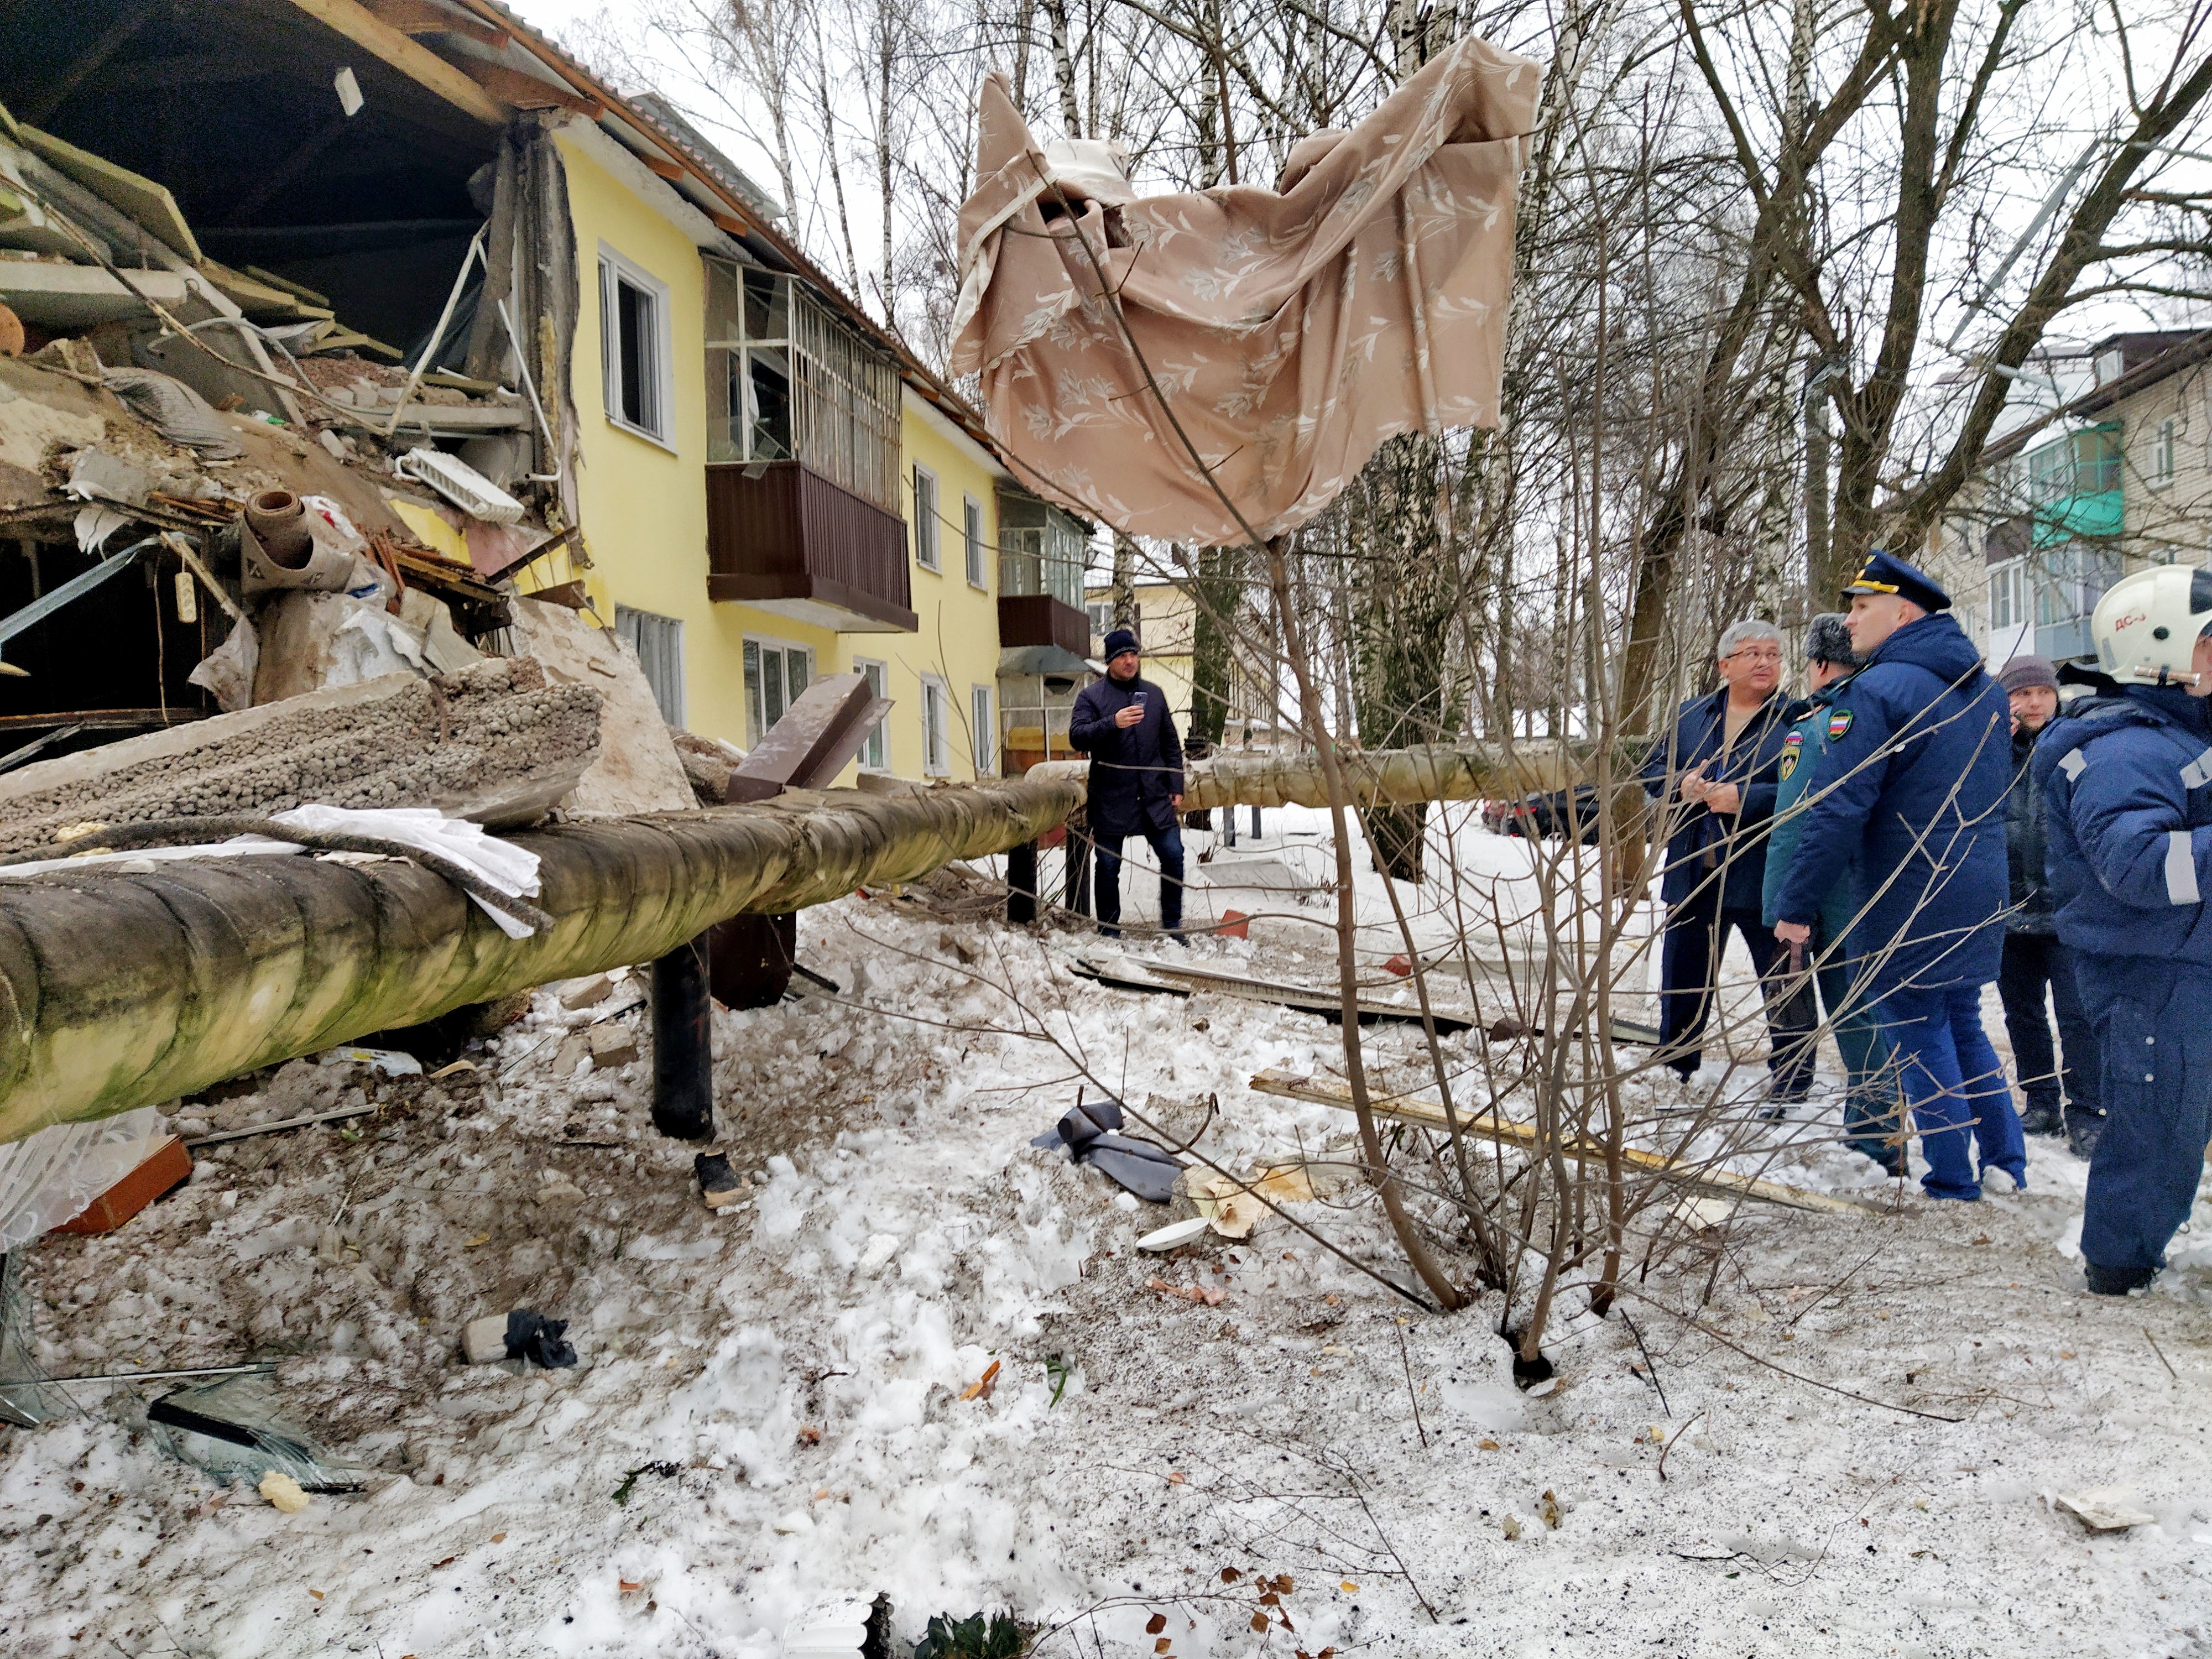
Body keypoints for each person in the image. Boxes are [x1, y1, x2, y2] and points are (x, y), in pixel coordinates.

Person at [1771, 551, 2022, 1202]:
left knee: (1916, 1026)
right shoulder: (1986, 690)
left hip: (1907, 887)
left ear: (1903, 612)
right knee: (1962, 1022)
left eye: (1860, 608)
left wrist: (1796, 906)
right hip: (1975, 880)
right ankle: (2005, 1161)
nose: (1849, 622)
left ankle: (1952, 1178)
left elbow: (1837, 809)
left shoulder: (1876, 693)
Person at [2031, 565, 2212, 1295]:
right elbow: (2139, 867)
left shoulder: (2173, 734)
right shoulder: (2125, 749)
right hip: (2152, 974)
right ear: (2162, 650)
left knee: (2173, 1115)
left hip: (2184, 962)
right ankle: (2120, 1265)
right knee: (2156, 1124)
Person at [1639, 618, 1814, 1098]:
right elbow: (1651, 769)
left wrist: (1748, 799)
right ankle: (1675, 1061)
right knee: (1683, 973)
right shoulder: (1692, 714)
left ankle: (1794, 1077)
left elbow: (1811, 790)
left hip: (1765, 872)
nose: (1765, 662)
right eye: (1753, 653)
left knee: (1784, 974)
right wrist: (1682, 785)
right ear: (1725, 665)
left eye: (1774, 654)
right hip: (1695, 867)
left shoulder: (1797, 720)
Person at [1760, 614, 1900, 1172]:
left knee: (1857, 1015)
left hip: (1835, 899)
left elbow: (1794, 825)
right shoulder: (1885, 714)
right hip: (1875, 892)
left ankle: (1875, 1136)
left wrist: (1783, 906)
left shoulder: (1822, 726)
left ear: (1818, 664)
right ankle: (1879, 1127)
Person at [1994, 654, 2105, 1157]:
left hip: (2069, 911)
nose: (2033, 702)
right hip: (2009, 909)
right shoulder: (1990, 753)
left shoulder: (2079, 747)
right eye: (2021, 693)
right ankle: (2040, 1100)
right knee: (2022, 1014)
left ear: (2056, 696)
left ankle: (2086, 1111)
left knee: (2078, 1016)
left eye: (2041, 692)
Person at [1069, 627, 1187, 938]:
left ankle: (1173, 926)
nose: (1130, 661)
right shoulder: (1091, 697)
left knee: (1174, 855)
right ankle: (1109, 930)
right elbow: (1077, 736)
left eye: (1133, 654)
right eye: (1123, 656)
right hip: (1111, 796)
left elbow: (1171, 744)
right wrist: (1112, 723)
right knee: (1108, 866)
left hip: (1154, 796)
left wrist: (1176, 784)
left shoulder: (1155, 694)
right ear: (1110, 661)